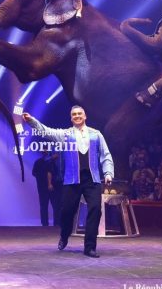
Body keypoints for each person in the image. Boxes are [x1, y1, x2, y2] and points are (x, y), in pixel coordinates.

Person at [22, 106, 114, 258]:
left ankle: (89, 247)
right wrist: (32, 121)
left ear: (85, 116)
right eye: (74, 114)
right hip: (72, 180)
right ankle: (64, 236)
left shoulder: (96, 135)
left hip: (92, 179)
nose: (77, 116)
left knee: (95, 210)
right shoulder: (65, 135)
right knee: (66, 212)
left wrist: (108, 173)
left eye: (79, 114)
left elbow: (105, 154)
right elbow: (46, 131)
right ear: (71, 118)